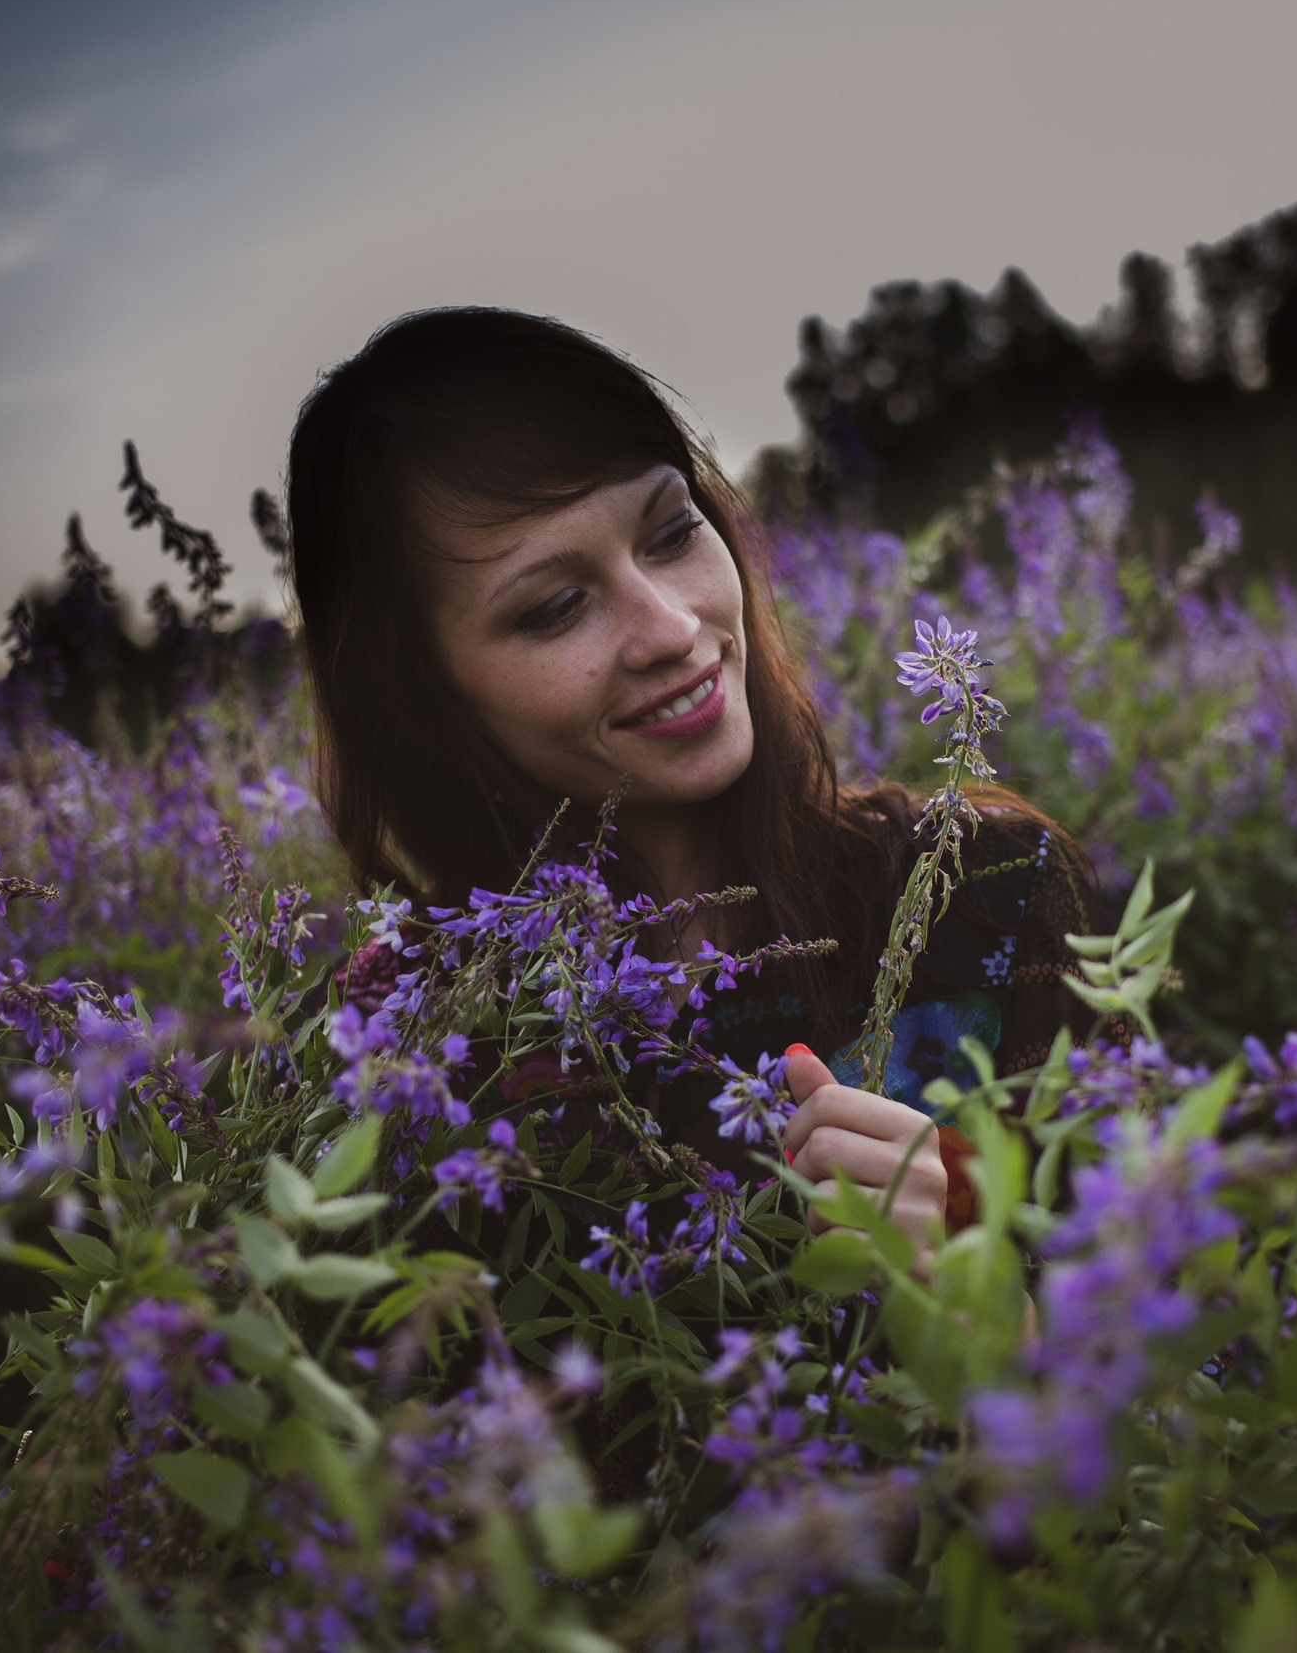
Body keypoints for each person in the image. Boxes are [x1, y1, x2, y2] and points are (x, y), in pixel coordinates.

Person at [284, 307, 1099, 1248]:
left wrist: (982, 1302)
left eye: (672, 532)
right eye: (556, 607)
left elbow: (1191, 1358)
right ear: (420, 699)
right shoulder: (394, 1042)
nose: (672, 627)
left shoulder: (989, 890)